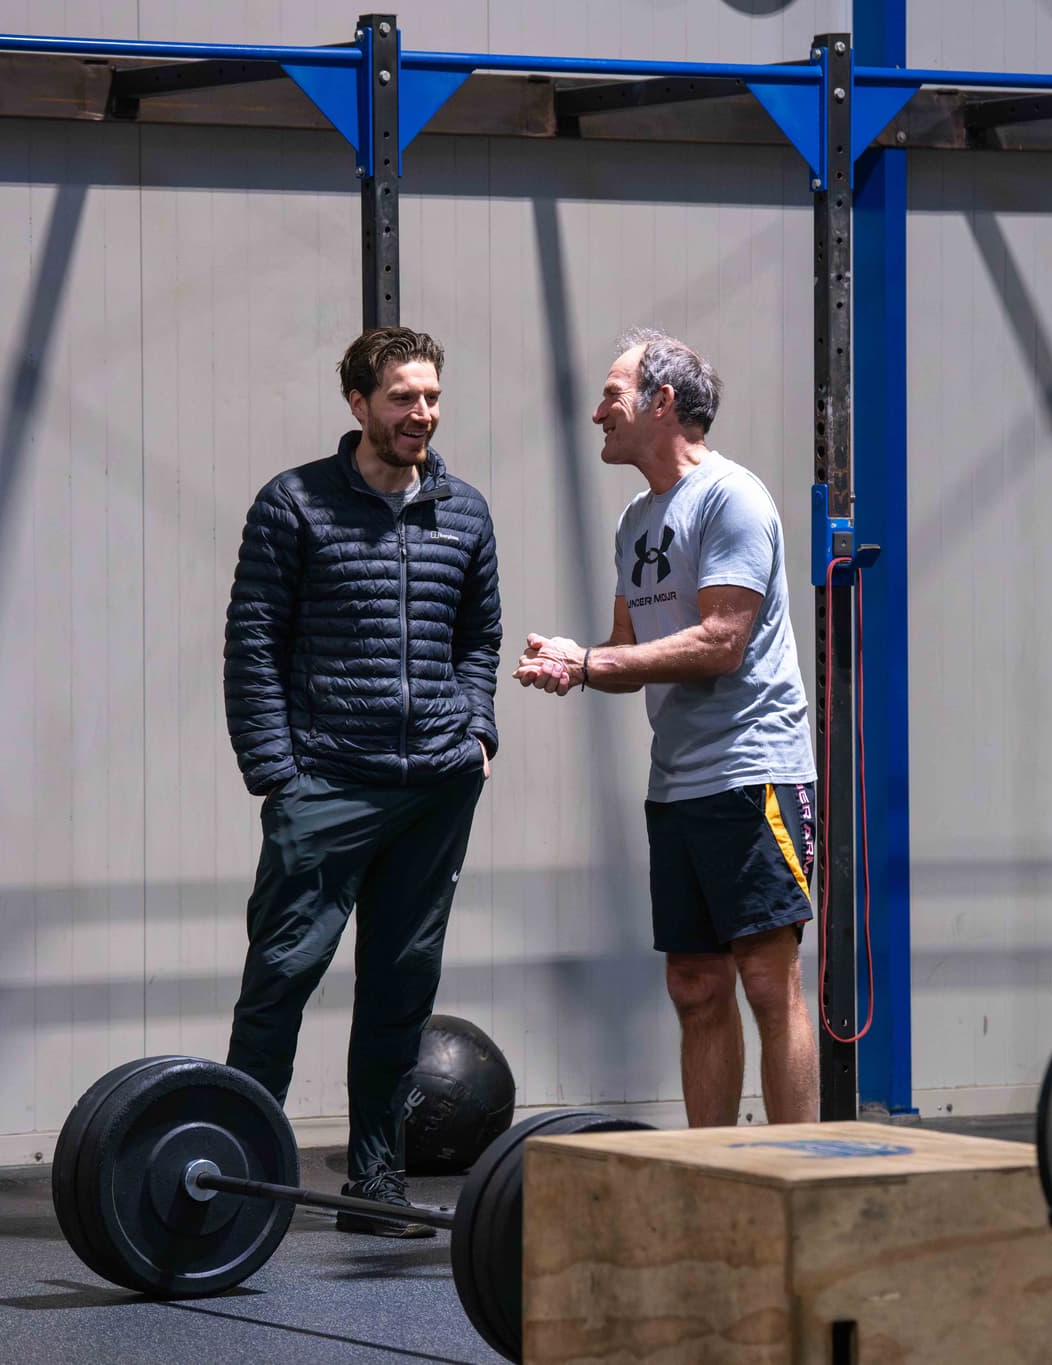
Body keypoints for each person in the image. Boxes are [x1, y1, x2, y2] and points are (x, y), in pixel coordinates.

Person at [223, 325, 500, 1235]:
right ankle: (235, 1178)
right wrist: (278, 773)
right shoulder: (294, 504)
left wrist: (478, 728)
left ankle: (374, 1185)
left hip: (435, 789)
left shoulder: (464, 510)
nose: (421, 414)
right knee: (280, 977)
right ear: (358, 404)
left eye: (431, 397)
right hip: (328, 784)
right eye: (401, 399)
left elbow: (480, 637)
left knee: (399, 990)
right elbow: (254, 641)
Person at [517, 328, 819, 1127]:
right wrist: (570, 662)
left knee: (765, 979)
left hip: (754, 769)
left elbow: (722, 643)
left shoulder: (732, 497)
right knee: (694, 982)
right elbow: (629, 652)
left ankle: (799, 1176)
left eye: (612, 395)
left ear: (660, 401)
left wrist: (591, 663)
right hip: (678, 779)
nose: (596, 413)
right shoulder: (635, 522)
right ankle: (712, 1177)